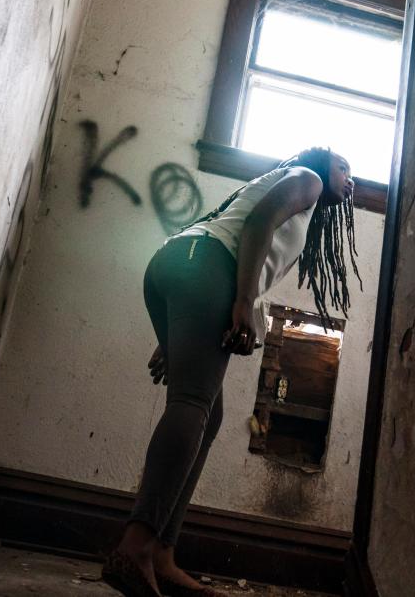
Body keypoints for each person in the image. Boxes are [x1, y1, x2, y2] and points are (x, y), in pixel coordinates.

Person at [100, 147, 361, 597]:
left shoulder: (289, 188)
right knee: (193, 404)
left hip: (176, 263)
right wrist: (241, 299)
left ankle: (162, 553)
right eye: (344, 167)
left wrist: (179, 332)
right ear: (323, 166)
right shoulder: (307, 179)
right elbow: (259, 224)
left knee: (210, 413)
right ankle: (136, 545)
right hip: (207, 266)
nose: (349, 178)